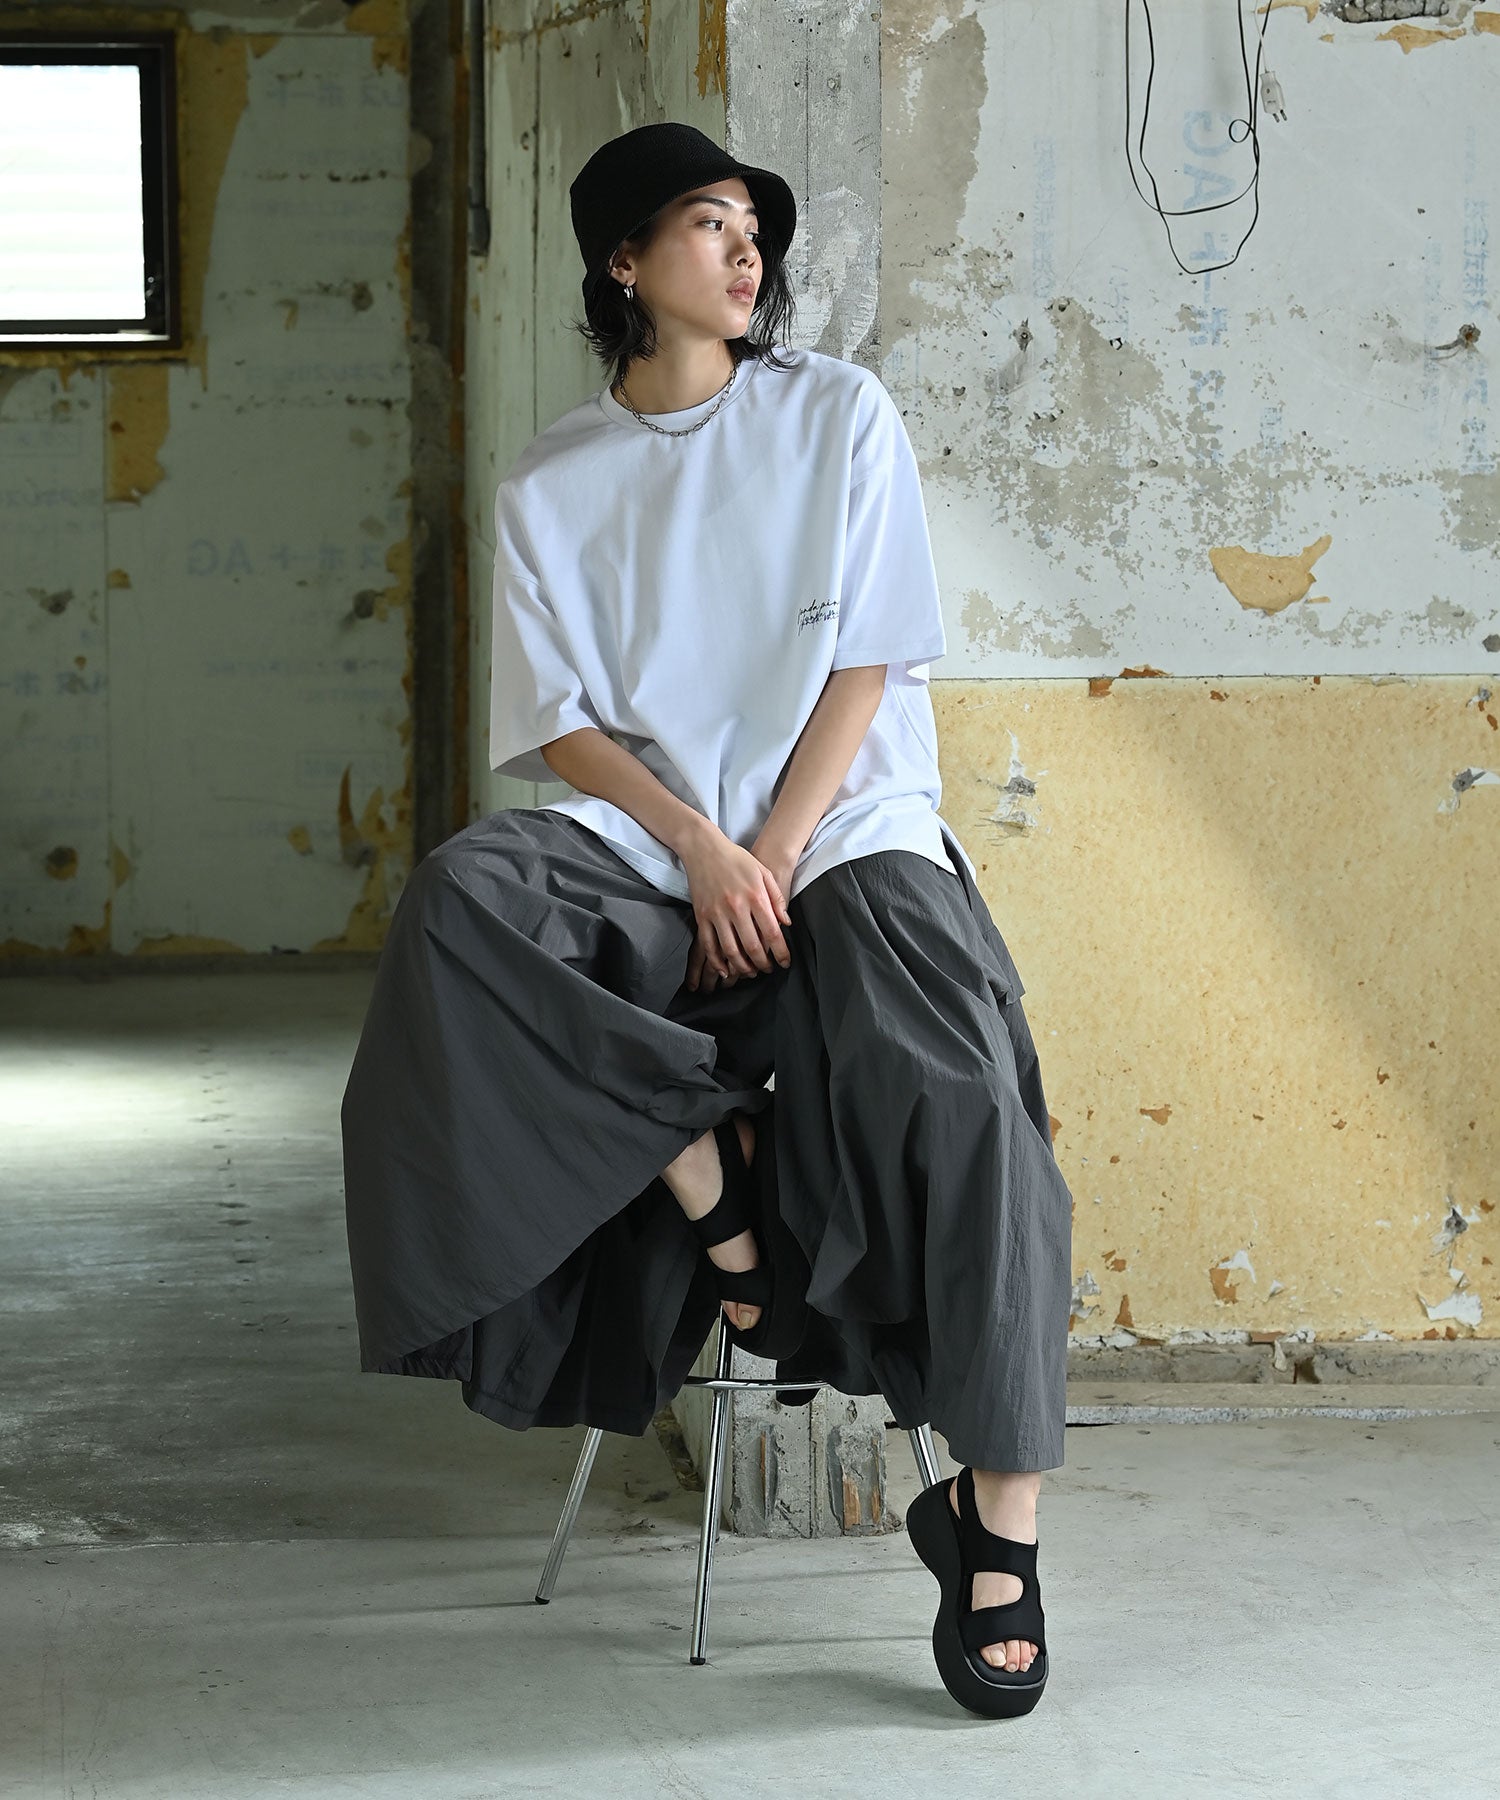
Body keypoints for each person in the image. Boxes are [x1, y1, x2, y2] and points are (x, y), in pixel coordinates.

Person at [340, 121, 1074, 1720]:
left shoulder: (836, 415)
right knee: (462, 912)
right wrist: (697, 848)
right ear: (624, 260)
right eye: (705, 223)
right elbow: (561, 725)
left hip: (847, 827)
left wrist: (772, 854)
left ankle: (999, 1531)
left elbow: (868, 659)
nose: (746, 252)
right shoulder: (552, 479)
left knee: (968, 1095)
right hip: (648, 839)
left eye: (753, 228)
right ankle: (710, 1174)